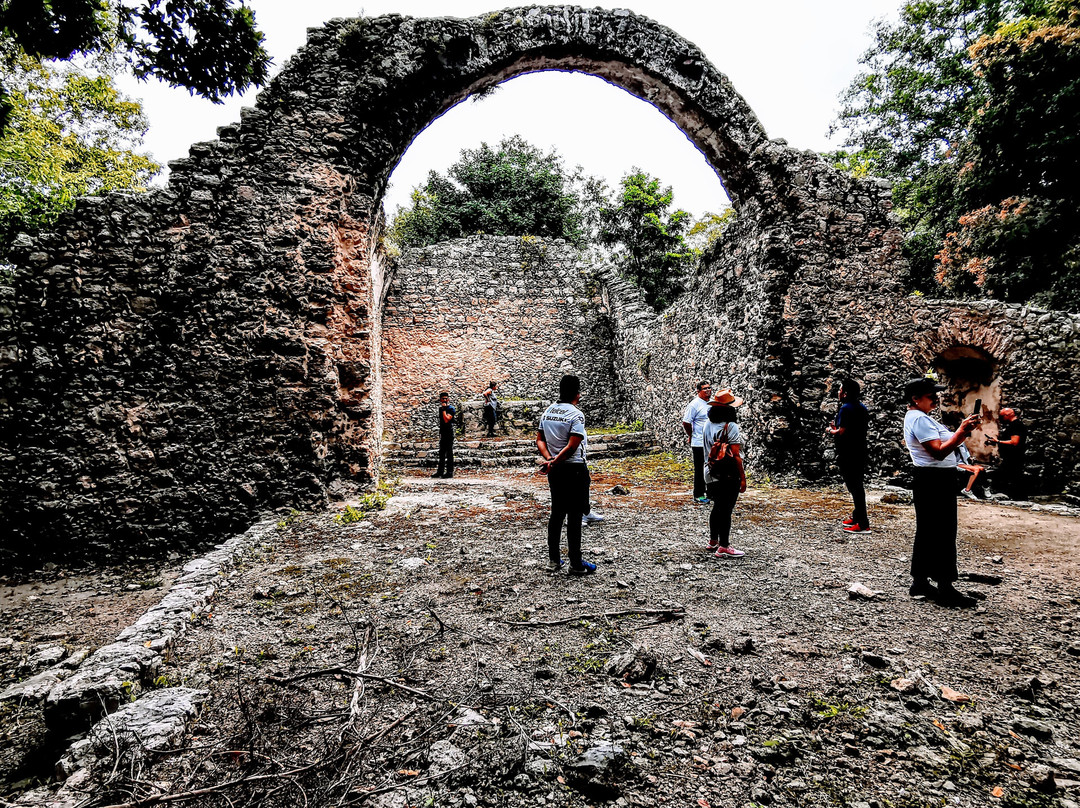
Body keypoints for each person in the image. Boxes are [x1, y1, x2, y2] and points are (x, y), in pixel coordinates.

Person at [902, 377, 981, 608]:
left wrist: (961, 431)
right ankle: (945, 586)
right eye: (930, 396)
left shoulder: (919, 417)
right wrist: (962, 431)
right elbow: (938, 452)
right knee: (943, 531)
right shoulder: (919, 419)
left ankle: (921, 581)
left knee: (928, 530)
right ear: (915, 399)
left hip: (931, 479)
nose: (935, 399)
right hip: (935, 480)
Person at [537, 375, 597, 576]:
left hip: (555, 471)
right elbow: (572, 446)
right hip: (574, 469)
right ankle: (576, 563)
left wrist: (549, 460)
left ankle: (553, 560)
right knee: (574, 516)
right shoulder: (576, 415)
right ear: (577, 394)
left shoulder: (548, 412)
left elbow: (540, 440)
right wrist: (555, 461)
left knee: (556, 514)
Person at [701, 389, 747, 558]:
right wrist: (742, 478)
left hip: (710, 471)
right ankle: (724, 546)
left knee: (717, 507)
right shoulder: (731, 427)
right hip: (727, 474)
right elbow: (736, 456)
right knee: (726, 510)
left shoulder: (707, 424)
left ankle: (713, 541)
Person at [826, 379, 870, 534]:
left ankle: (863, 523)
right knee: (857, 485)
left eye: (840, 389)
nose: (838, 392)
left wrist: (831, 431)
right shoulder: (862, 408)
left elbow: (842, 432)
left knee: (855, 487)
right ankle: (857, 516)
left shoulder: (845, 409)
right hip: (860, 451)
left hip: (849, 453)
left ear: (845, 393)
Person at [682, 381, 713, 503]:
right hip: (699, 442)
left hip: (711, 442)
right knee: (700, 468)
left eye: (709, 388)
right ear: (698, 391)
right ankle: (698, 494)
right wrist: (691, 435)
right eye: (705, 388)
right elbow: (686, 422)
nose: (708, 390)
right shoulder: (694, 405)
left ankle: (710, 493)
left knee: (711, 467)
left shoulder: (711, 403)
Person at [986, 407, 1027, 500]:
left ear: (1008, 415)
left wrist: (998, 441)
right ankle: (1016, 496)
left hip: (1014, 456)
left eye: (1002, 416)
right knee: (1013, 476)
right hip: (1013, 456)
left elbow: (1014, 442)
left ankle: (1018, 497)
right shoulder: (1016, 425)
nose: (1001, 419)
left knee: (1015, 476)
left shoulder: (1015, 425)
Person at [432, 392, 455, 479]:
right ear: (440, 399)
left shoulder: (451, 409)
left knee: (449, 453)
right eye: (443, 399)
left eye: (446, 398)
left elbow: (446, 419)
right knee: (441, 453)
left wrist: (444, 409)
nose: (445, 400)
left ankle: (449, 472)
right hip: (443, 433)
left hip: (449, 433)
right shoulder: (440, 409)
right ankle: (440, 471)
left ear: (448, 399)